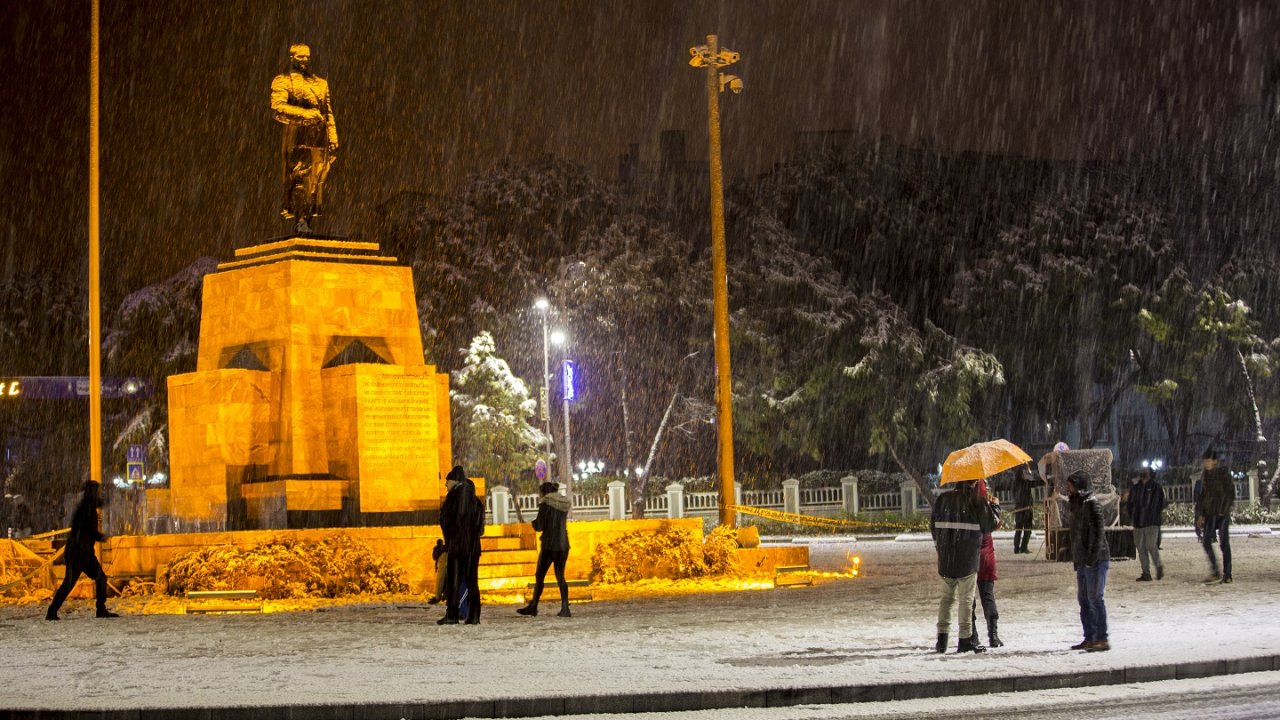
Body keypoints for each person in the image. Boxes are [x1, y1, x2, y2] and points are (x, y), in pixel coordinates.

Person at [270, 43, 338, 233]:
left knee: (316, 184)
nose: (305, 60)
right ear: (292, 58)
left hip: (319, 138)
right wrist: (306, 115)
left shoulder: (321, 83)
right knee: (299, 178)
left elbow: (328, 112)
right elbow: (277, 108)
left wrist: (333, 137)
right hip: (297, 135)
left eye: (307, 56)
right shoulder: (283, 81)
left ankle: (307, 220)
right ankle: (300, 220)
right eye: (300, 57)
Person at [930, 479, 999, 654]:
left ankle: (942, 640)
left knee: (946, 600)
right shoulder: (976, 500)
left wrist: (941, 546)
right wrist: (995, 507)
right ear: (974, 482)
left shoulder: (942, 499)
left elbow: (933, 527)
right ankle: (965, 639)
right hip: (967, 558)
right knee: (966, 600)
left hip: (946, 558)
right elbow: (990, 525)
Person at [46, 481, 118, 620]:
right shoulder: (86, 508)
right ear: (92, 492)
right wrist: (100, 536)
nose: (98, 494)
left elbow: (100, 504)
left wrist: (110, 496)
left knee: (99, 578)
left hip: (83, 552)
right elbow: (87, 531)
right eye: (97, 491)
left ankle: (100, 610)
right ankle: (52, 611)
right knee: (71, 583)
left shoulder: (88, 506)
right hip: (78, 552)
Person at [1067, 470, 1110, 651]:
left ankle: (1101, 637)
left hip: (1096, 559)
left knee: (1095, 598)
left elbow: (1098, 532)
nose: (1068, 489)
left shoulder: (1092, 504)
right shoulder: (1077, 504)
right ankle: (1089, 636)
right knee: (1084, 599)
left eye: (1071, 485)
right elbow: (1076, 535)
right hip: (1083, 559)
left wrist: (1092, 557)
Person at [517, 482, 573, 618]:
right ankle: (565, 607)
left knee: (540, 576)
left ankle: (534, 606)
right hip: (563, 543)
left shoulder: (546, 503)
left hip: (549, 544)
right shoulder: (562, 504)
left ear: (544, 492)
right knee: (560, 576)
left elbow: (540, 525)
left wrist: (534, 523)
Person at [439, 465, 485, 625]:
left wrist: (451, 538)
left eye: (447, 481)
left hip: (457, 546)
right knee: (472, 581)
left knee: (454, 580)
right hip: (472, 547)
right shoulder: (476, 501)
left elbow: (444, 521)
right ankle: (474, 615)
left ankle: (452, 614)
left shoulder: (452, 498)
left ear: (454, 481)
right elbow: (481, 529)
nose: (445, 485)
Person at [969, 480, 1003, 648]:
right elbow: (995, 523)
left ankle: (972, 635)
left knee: (969, 599)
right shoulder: (986, 507)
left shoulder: (966, 505)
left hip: (969, 557)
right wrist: (995, 507)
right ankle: (993, 635)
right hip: (986, 557)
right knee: (988, 596)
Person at [1196, 448, 1235, 584]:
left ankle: (1227, 573)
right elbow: (1202, 497)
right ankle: (1215, 571)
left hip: (1221, 513)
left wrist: (1223, 511)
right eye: (1204, 461)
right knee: (1206, 542)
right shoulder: (1205, 476)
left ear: (1215, 462)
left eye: (1208, 461)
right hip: (1209, 513)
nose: (1206, 464)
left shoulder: (1223, 474)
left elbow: (1230, 494)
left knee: (1224, 543)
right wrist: (1201, 515)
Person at [1126, 467, 1166, 581]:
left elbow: (1161, 503)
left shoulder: (1156, 487)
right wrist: (1133, 515)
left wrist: (1152, 513)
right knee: (1141, 547)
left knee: (1151, 545)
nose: (1144, 472)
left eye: (1146, 471)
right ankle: (1146, 573)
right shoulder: (1136, 488)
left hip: (1151, 521)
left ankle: (1158, 566)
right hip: (1138, 522)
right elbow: (1130, 503)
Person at [1010, 465, 1035, 554]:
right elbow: (1034, 483)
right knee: (1027, 530)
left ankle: (1016, 548)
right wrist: (1029, 472)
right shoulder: (1025, 483)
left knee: (1018, 530)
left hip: (1018, 510)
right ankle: (1024, 548)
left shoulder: (1015, 484)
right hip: (1026, 510)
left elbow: (1014, 496)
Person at [427, 539, 447, 604]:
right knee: (441, 581)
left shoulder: (444, 549)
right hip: (440, 564)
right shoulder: (438, 549)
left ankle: (442, 596)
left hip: (442, 564)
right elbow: (434, 557)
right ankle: (441, 596)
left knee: (441, 582)